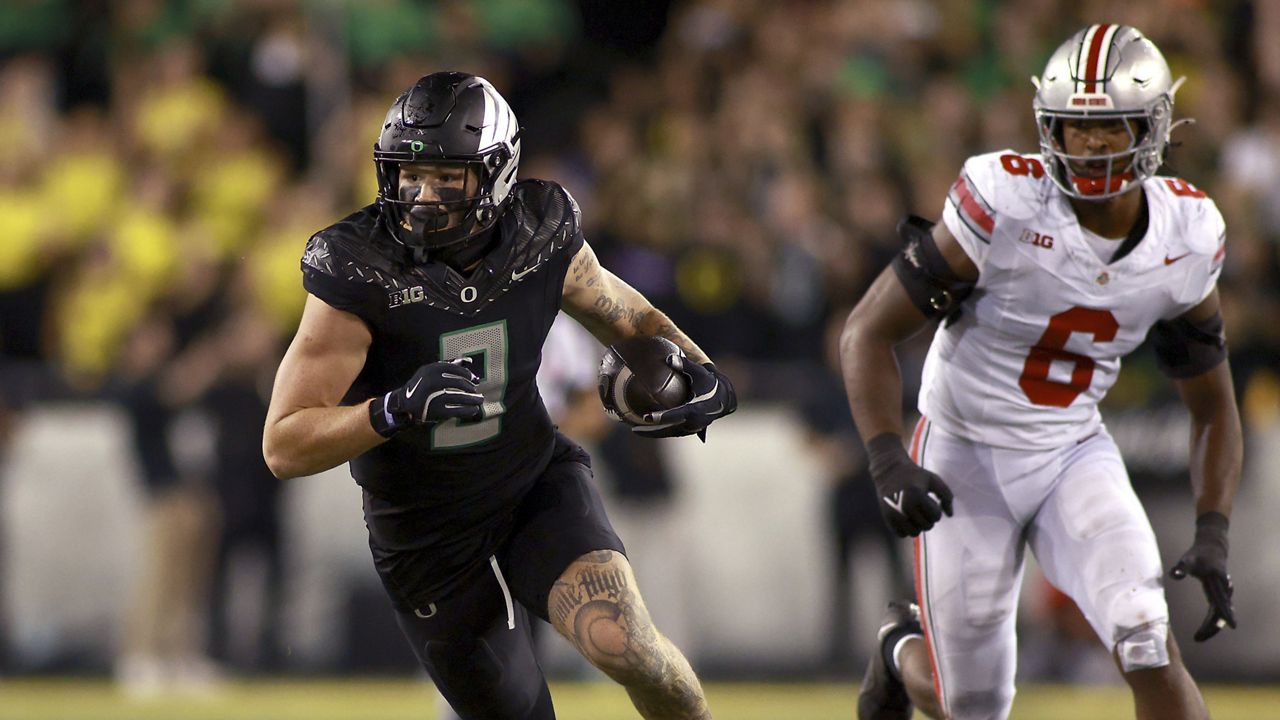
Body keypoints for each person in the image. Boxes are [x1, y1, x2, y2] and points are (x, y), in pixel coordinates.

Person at [262, 72, 735, 720]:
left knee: (628, 647)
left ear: (498, 174)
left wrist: (701, 372)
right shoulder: (357, 267)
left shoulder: (542, 231)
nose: (423, 194)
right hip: (424, 535)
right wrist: (393, 409)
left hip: (529, 488)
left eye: (447, 176)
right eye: (409, 173)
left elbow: (630, 316)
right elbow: (283, 443)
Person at [839, 25, 1240, 720]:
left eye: (1108, 126)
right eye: (1074, 127)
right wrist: (885, 459)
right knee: (970, 703)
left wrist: (1213, 530)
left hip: (1070, 450)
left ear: (1152, 127)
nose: (1088, 145)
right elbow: (868, 331)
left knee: (1146, 637)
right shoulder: (1004, 203)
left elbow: (1213, 406)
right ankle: (901, 649)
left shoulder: (1187, 234)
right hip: (964, 449)